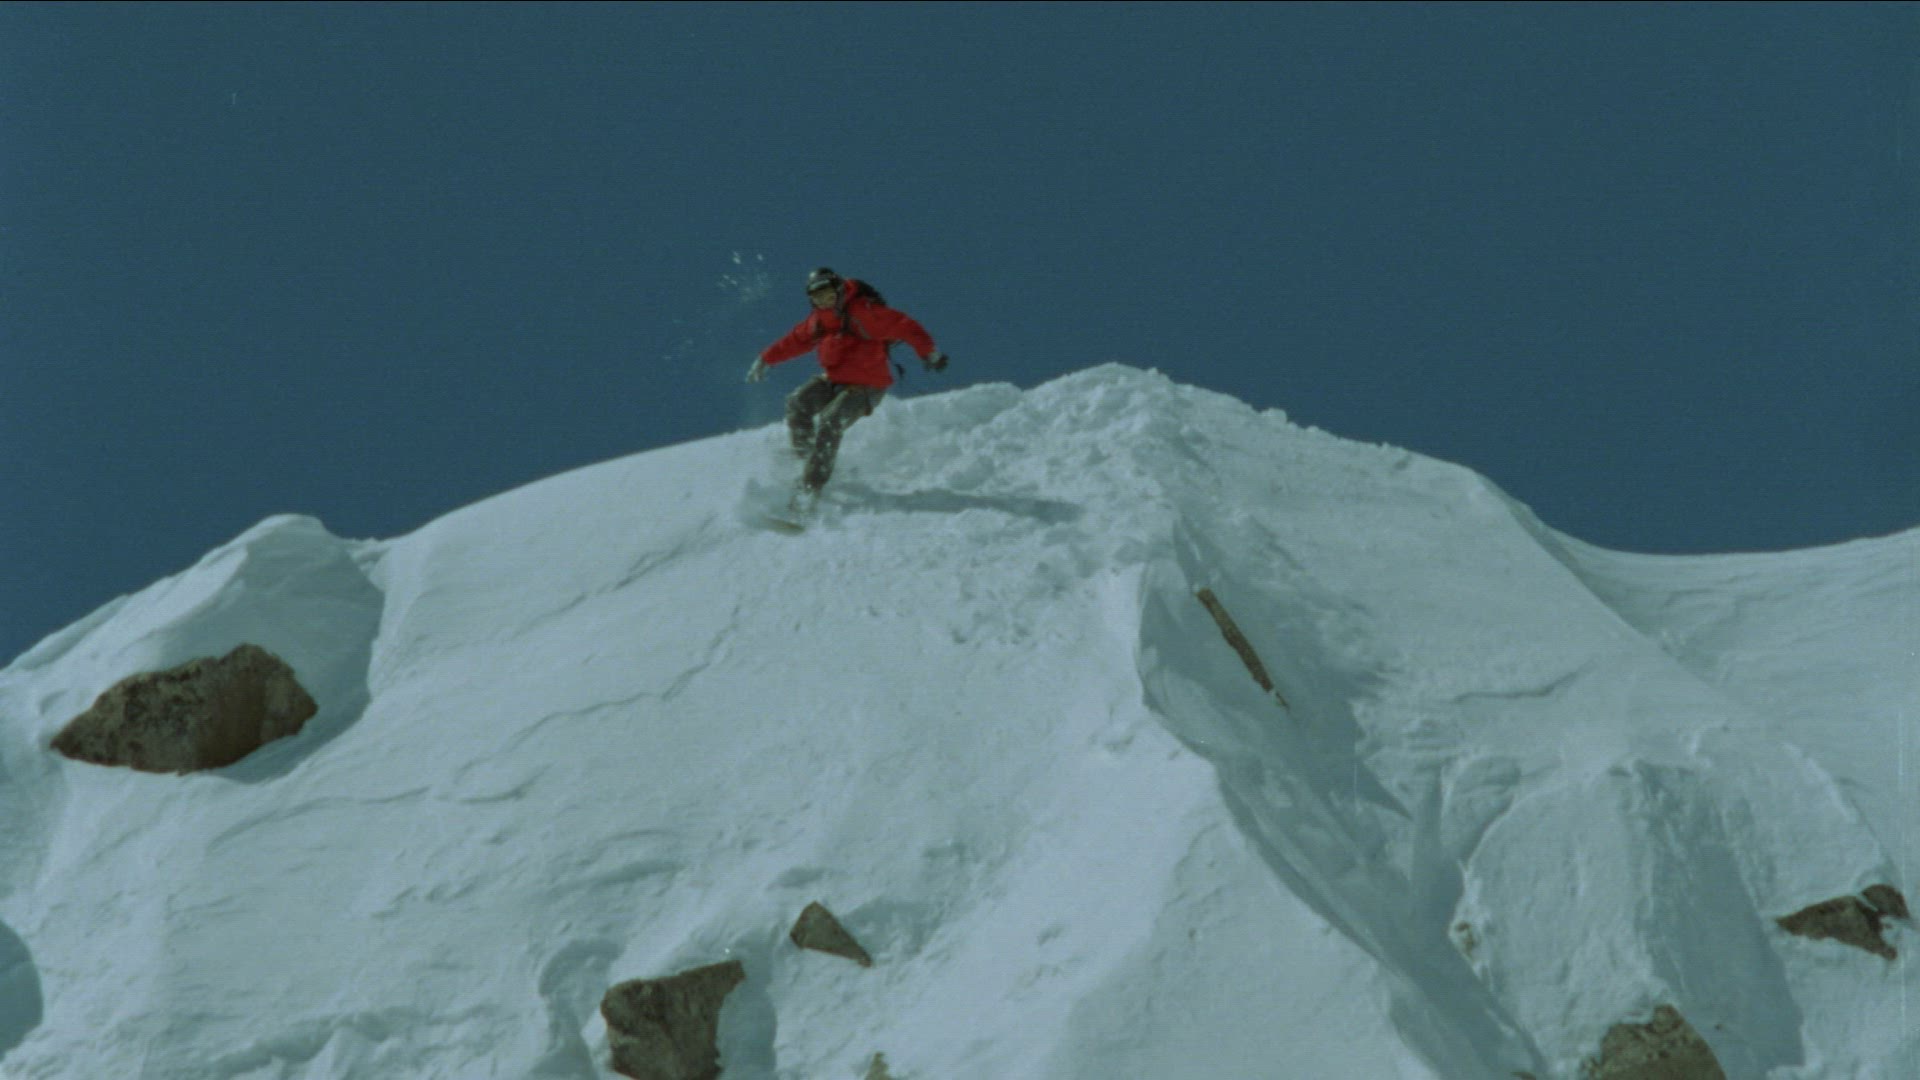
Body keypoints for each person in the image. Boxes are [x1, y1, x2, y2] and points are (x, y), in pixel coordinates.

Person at [746, 268, 948, 504]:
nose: (824, 301)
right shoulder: (818, 321)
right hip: (834, 381)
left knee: (831, 420)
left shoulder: (864, 313)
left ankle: (810, 488)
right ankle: (806, 460)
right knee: (797, 402)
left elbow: (905, 326)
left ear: (840, 290)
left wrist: (929, 353)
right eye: (818, 297)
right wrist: (766, 359)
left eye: (829, 295)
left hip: (866, 386)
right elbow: (794, 342)